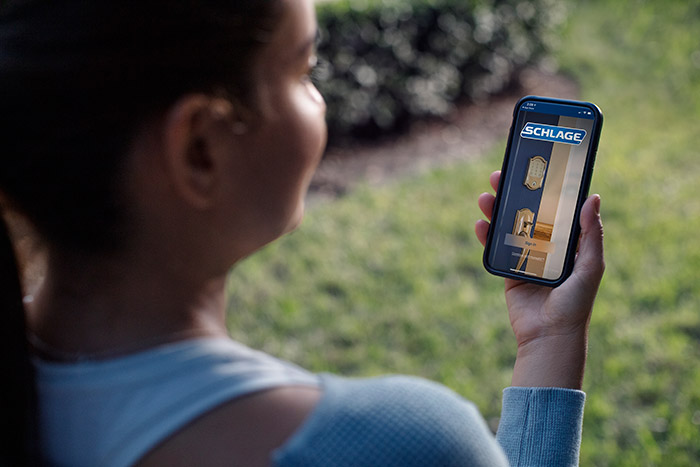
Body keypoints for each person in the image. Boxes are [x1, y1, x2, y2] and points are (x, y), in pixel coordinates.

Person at [0, 0, 605, 465]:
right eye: (304, 70)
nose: (321, 104)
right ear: (202, 149)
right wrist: (550, 344)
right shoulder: (399, 443)